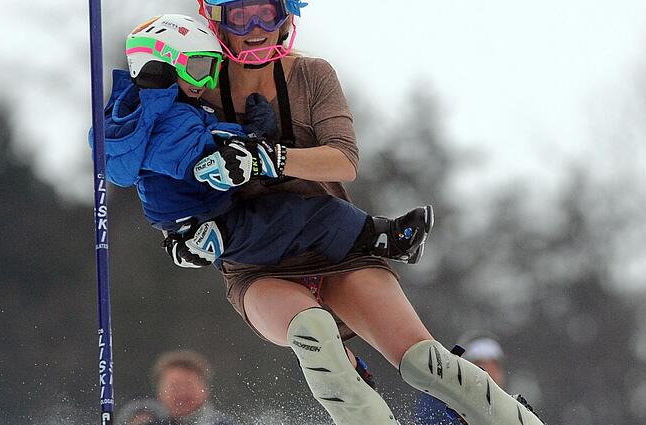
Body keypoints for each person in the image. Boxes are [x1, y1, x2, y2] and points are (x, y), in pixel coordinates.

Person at [158, 1, 574, 425]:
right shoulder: (197, 83)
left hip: (335, 247)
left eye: (266, 13)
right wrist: (180, 235)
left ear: (289, 16)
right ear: (215, 20)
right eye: (240, 16)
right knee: (313, 336)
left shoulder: (312, 75)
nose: (255, 29)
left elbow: (343, 159)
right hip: (257, 265)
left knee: (423, 361)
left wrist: (266, 159)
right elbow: (156, 163)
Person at [100, 13, 432, 270]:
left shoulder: (163, 111)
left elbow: (205, 142)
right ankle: (385, 239)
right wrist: (247, 143)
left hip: (208, 211)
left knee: (294, 212)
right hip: (208, 218)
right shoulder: (160, 120)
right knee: (311, 215)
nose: (207, 82)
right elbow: (198, 155)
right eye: (199, 69)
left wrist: (249, 135)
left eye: (213, 70)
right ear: (160, 65)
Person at [119, 350, 248, 425]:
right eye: (174, 386)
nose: (182, 393)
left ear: (205, 389)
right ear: (159, 391)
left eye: (188, 385)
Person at [413, 334, 510, 425]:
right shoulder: (440, 400)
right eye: (481, 367)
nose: (489, 375)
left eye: (494, 368)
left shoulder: (512, 407)